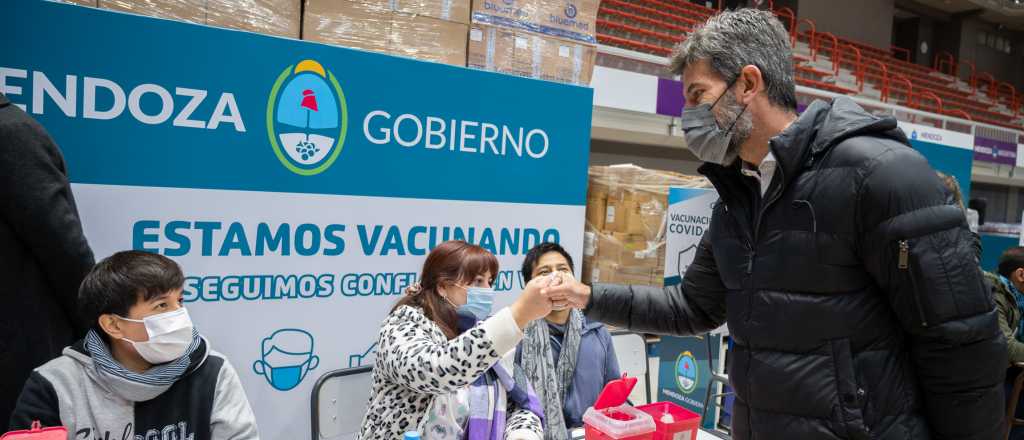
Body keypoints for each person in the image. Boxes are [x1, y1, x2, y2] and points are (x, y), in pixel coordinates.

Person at [543, 9, 1006, 440]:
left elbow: (961, 343)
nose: (687, 116)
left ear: (748, 83)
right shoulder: (736, 200)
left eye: (697, 95)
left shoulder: (880, 175)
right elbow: (693, 307)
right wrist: (588, 296)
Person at [8, 251, 259, 440]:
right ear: (113, 325)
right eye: (161, 306)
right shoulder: (53, 384)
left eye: (179, 301)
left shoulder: (213, 371)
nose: (179, 315)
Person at [359, 240, 552, 439]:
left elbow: (518, 402)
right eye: (478, 281)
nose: (487, 289)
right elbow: (438, 370)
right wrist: (518, 315)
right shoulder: (402, 323)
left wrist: (522, 433)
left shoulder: (481, 329)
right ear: (443, 286)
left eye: (490, 281)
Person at [0, 92, 95, 426]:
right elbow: (64, 246)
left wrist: (95, 326)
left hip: (23, 350)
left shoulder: (10, 133)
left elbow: (62, 246)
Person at [514, 243, 620, 439]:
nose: (556, 277)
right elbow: (512, 403)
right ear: (529, 287)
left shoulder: (597, 331)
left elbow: (614, 394)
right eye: (544, 272)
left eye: (563, 270)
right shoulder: (517, 337)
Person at [991, 247, 1024, 439]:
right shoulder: (995, 296)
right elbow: (1008, 348)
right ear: (1021, 274)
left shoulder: (1018, 301)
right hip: (989, 380)